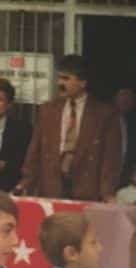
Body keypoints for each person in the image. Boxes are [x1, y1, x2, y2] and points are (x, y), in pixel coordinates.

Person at [17, 55, 122, 203]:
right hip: (51, 190)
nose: (60, 83)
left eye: (66, 79)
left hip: (87, 191)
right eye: (59, 78)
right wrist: (26, 182)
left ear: (83, 82)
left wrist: (107, 192)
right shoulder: (47, 110)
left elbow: (111, 158)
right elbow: (35, 151)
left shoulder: (104, 114)